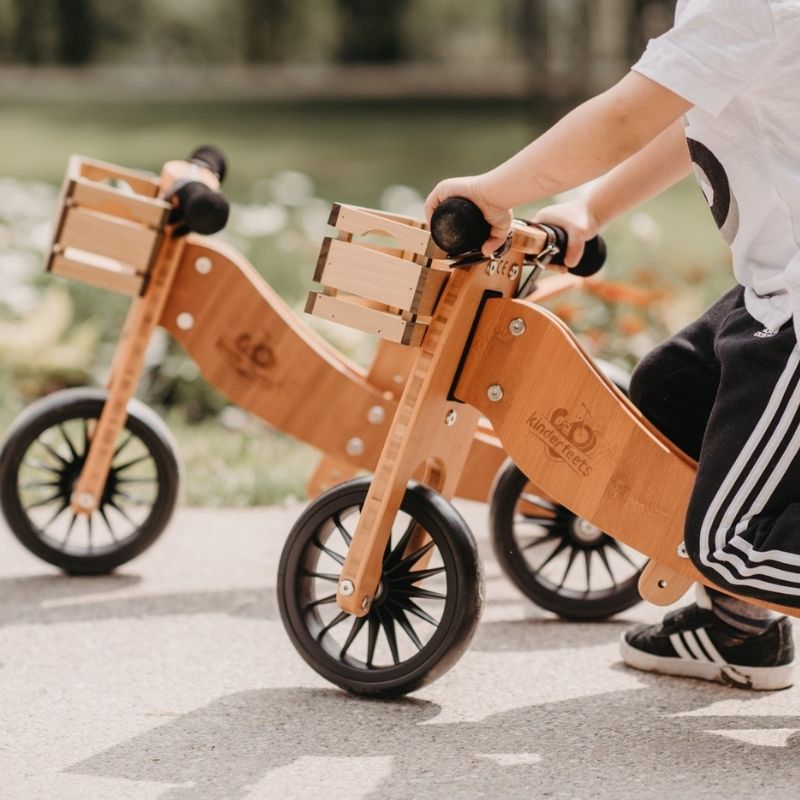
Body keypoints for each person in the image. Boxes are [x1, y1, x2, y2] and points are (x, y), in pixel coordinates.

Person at [425, 0, 800, 691]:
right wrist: (590, 208)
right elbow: (684, 116)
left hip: (795, 318)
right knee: (671, 393)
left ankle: (737, 593)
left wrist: (494, 192)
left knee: (729, 546)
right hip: (772, 295)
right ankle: (738, 630)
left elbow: (627, 116)